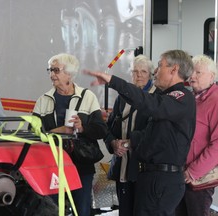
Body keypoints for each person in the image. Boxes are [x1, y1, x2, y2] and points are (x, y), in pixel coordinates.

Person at [84, 49, 196, 216]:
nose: (156, 71)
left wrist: (113, 81)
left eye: (160, 66)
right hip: (149, 177)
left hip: (162, 179)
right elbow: (153, 136)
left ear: (174, 69)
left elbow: (150, 103)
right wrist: (128, 143)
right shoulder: (166, 99)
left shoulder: (181, 97)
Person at [31, 53, 107, 216]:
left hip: (81, 166)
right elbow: (33, 134)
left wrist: (82, 128)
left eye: (56, 70)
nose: (52, 74)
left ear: (70, 73)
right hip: (50, 166)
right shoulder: (43, 100)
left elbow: (101, 130)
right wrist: (59, 131)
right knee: (51, 211)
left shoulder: (88, 97)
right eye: (50, 70)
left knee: (82, 211)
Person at [104, 55, 160, 216]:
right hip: (122, 166)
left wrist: (130, 143)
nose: (139, 75)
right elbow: (108, 128)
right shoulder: (123, 97)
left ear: (150, 74)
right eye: (135, 71)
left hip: (144, 169)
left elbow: (156, 134)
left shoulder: (157, 98)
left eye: (143, 71)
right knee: (124, 211)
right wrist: (113, 144)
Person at [175, 55, 218, 216]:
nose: (192, 76)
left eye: (198, 72)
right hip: (181, 174)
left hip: (199, 179)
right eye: (192, 72)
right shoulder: (190, 98)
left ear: (211, 76)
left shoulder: (215, 100)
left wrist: (193, 171)